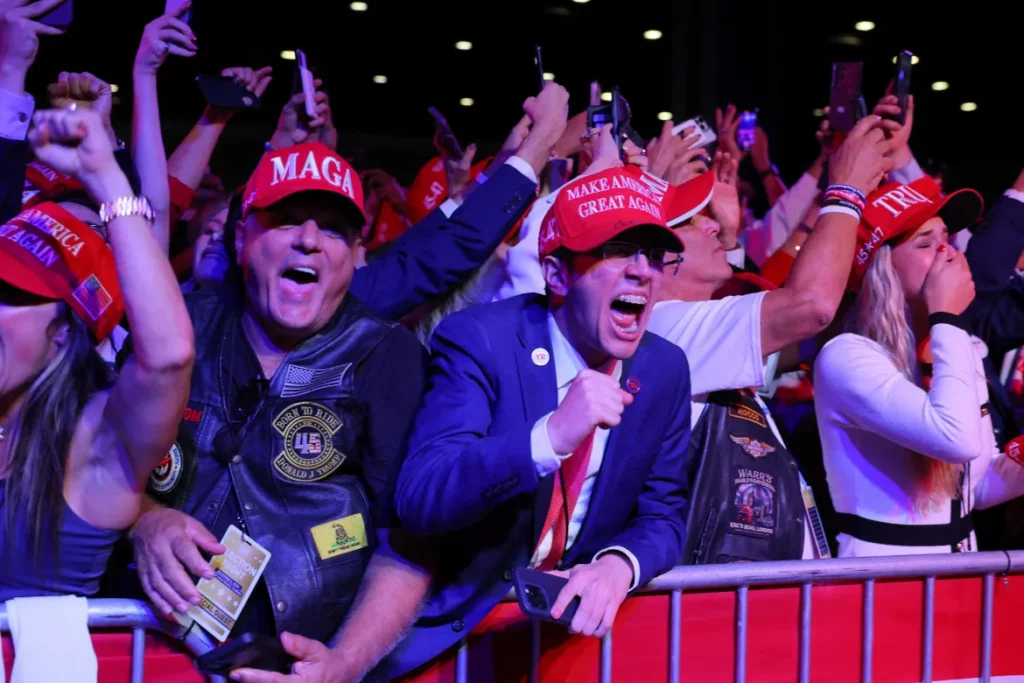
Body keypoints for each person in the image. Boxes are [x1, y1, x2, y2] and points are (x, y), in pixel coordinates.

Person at [127, 140, 430, 683]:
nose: (310, 241)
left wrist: (344, 665)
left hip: (299, 669)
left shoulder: (388, 355)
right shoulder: (177, 328)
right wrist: (146, 519)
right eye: (286, 220)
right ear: (243, 235)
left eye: (333, 228)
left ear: (357, 253)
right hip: (146, 658)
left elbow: (407, 544)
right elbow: (95, 466)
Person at [381, 159, 695, 677]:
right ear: (556, 275)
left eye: (656, 255)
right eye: (615, 251)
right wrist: (547, 438)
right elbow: (421, 496)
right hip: (460, 639)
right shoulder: (480, 339)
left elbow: (661, 515)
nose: (642, 269)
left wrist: (620, 565)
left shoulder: (663, 368)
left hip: (571, 643)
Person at [646, 116, 897, 564]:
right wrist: (844, 192)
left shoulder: (694, 327)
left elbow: (808, 318)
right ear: (657, 258)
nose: (714, 227)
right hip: (722, 599)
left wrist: (722, 232)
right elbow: (809, 305)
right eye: (693, 221)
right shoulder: (667, 331)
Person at [0, 107, 193, 598]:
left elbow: (168, 359)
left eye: (12, 293)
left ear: (63, 333)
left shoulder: (94, 442)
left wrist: (106, 177)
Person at [814, 176, 1024, 556]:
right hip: (884, 586)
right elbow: (954, 438)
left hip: (957, 577)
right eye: (926, 243)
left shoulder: (957, 346)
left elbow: (975, 488)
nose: (949, 251)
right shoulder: (846, 357)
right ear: (883, 271)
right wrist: (947, 316)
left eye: (947, 237)